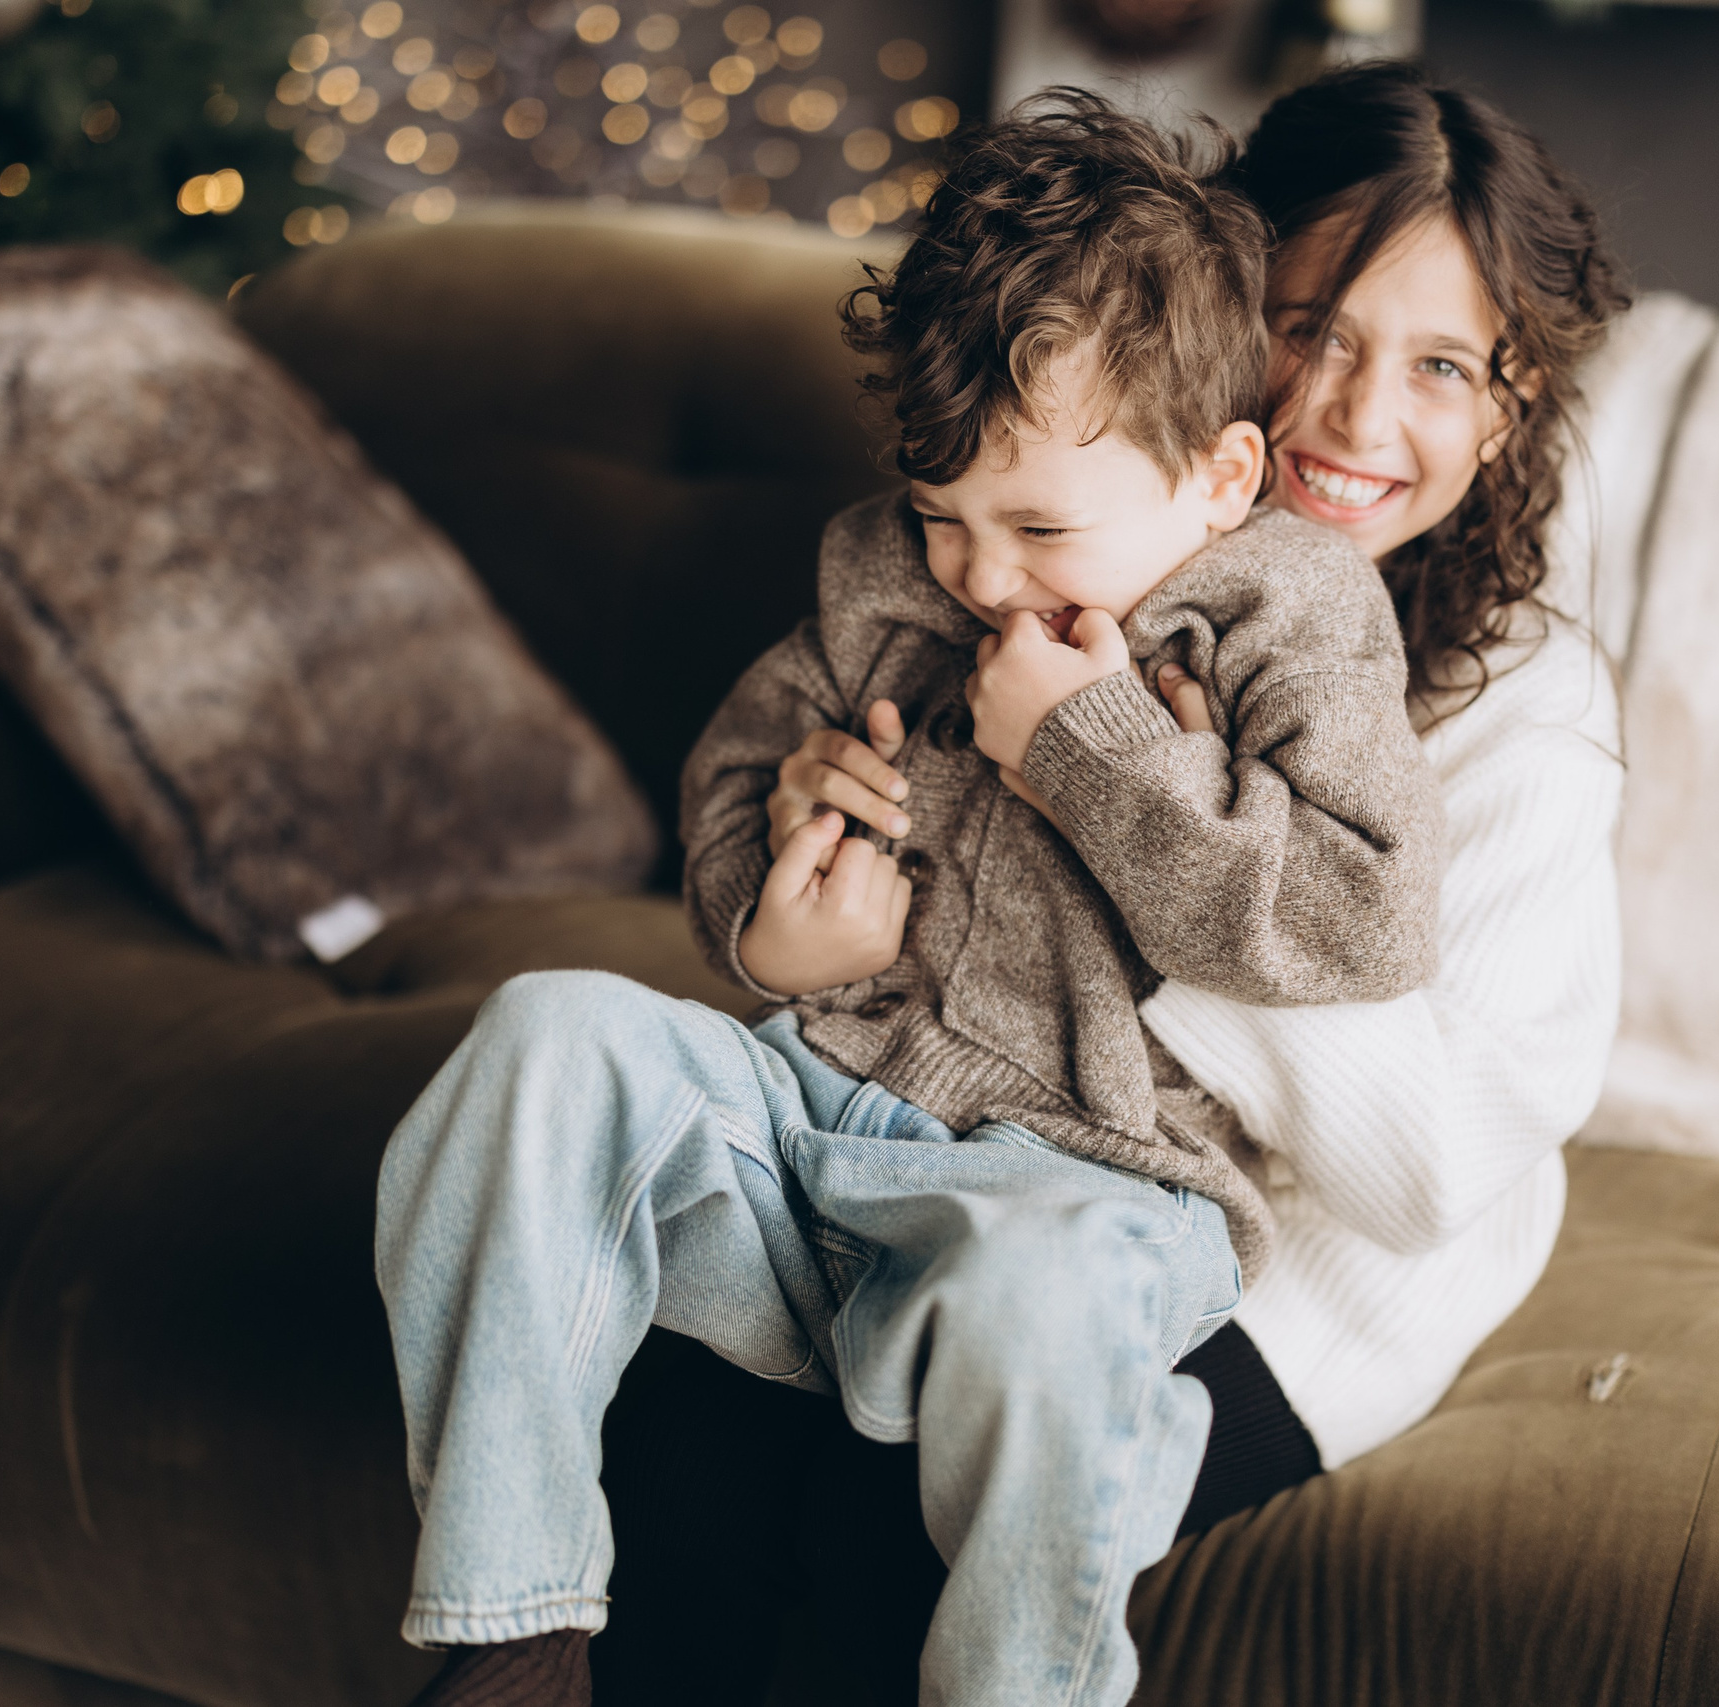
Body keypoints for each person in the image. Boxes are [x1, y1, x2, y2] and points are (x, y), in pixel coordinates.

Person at [377, 95, 1449, 1707]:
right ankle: (513, 1632)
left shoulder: (1295, 610)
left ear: (1222, 476)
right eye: (946, 514)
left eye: (1039, 527)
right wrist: (767, 923)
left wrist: (1089, 749)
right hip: (811, 1121)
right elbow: (743, 768)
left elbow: (1366, 914)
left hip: (1080, 1188)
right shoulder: (882, 570)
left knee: (1051, 1307)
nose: (980, 574)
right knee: (548, 1037)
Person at [586, 61, 1636, 1705]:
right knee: (685, 1407)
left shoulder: (1533, 713)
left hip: (1303, 1273)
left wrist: (1125, 807)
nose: (1356, 417)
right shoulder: (1045, 541)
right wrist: (812, 828)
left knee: (888, 1505)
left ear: (1510, 408)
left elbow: (1424, 1175)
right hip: (1003, 1159)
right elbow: (894, 947)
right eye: (1308, 328)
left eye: (1442, 364)